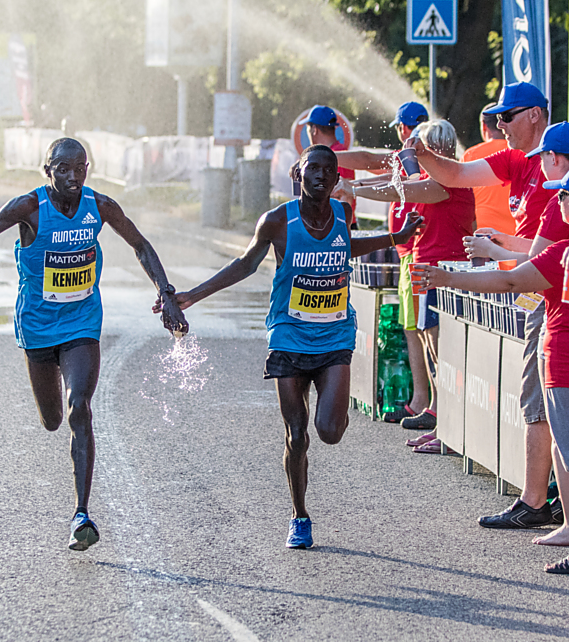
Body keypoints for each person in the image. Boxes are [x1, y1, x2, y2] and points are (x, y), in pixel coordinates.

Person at [0, 137, 188, 551]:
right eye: (63, 169)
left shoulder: (101, 206)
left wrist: (165, 291)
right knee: (52, 419)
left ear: (88, 169)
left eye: (80, 168)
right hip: (37, 327)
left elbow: (140, 245)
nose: (72, 177)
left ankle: (81, 514)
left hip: (81, 323)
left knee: (79, 408)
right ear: (47, 170)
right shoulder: (29, 208)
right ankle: (72, 476)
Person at [158, 144, 421, 549]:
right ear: (297, 175)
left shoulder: (341, 215)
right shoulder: (277, 221)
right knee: (297, 434)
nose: (319, 175)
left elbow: (347, 246)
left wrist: (395, 237)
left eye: (327, 171)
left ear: (336, 180)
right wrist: (191, 295)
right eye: (312, 168)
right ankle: (299, 515)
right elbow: (245, 264)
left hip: (333, 335)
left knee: (330, 432)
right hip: (288, 334)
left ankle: (320, 442)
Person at [413, 163, 569, 575]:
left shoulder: (568, 252)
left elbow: (512, 282)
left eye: (563, 196)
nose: (558, 201)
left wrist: (445, 277)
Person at [409, 83, 557, 530]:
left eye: (508, 117)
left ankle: (538, 502)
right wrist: (419, 151)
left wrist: (495, 253)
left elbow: (553, 249)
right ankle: (543, 500)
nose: (500, 126)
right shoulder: (515, 160)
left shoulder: (556, 164)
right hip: (529, 286)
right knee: (539, 394)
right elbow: (455, 174)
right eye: (498, 118)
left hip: (548, 292)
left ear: (535, 115)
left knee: (543, 397)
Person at [343, 119, 476, 446]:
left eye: (423, 148)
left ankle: (446, 425)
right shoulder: (436, 177)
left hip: (441, 272)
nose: (418, 154)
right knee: (432, 348)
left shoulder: (449, 180)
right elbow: (391, 178)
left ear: (435, 149)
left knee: (440, 349)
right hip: (426, 269)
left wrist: (353, 188)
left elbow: (401, 189)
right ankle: (437, 416)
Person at [336, 101, 433, 426]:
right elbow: (368, 161)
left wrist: (351, 185)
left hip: (422, 256)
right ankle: (421, 400)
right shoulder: (409, 160)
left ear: (405, 128)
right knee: (413, 330)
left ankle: (426, 403)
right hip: (411, 254)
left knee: (423, 332)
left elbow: (392, 188)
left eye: (399, 128)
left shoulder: (418, 162)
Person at [461, 104, 515, 234]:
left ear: (484, 125)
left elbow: (461, 199)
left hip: (481, 233)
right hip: (515, 235)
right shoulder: (520, 153)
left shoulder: (470, 155)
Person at [300, 105, 356, 222]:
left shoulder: (336, 155)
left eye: (308, 128)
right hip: (329, 224)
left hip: (334, 225)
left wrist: (337, 227)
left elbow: (346, 195)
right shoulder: (339, 152)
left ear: (314, 129)